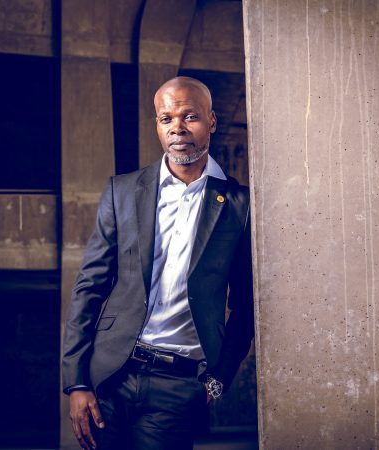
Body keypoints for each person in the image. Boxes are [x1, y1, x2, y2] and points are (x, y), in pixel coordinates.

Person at [62, 76, 254, 450]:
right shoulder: (121, 191)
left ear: (211, 121)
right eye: (167, 119)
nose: (177, 128)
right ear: (157, 125)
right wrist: (77, 382)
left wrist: (217, 381)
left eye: (190, 117)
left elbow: (247, 307)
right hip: (110, 377)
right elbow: (89, 288)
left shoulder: (239, 205)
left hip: (179, 387)